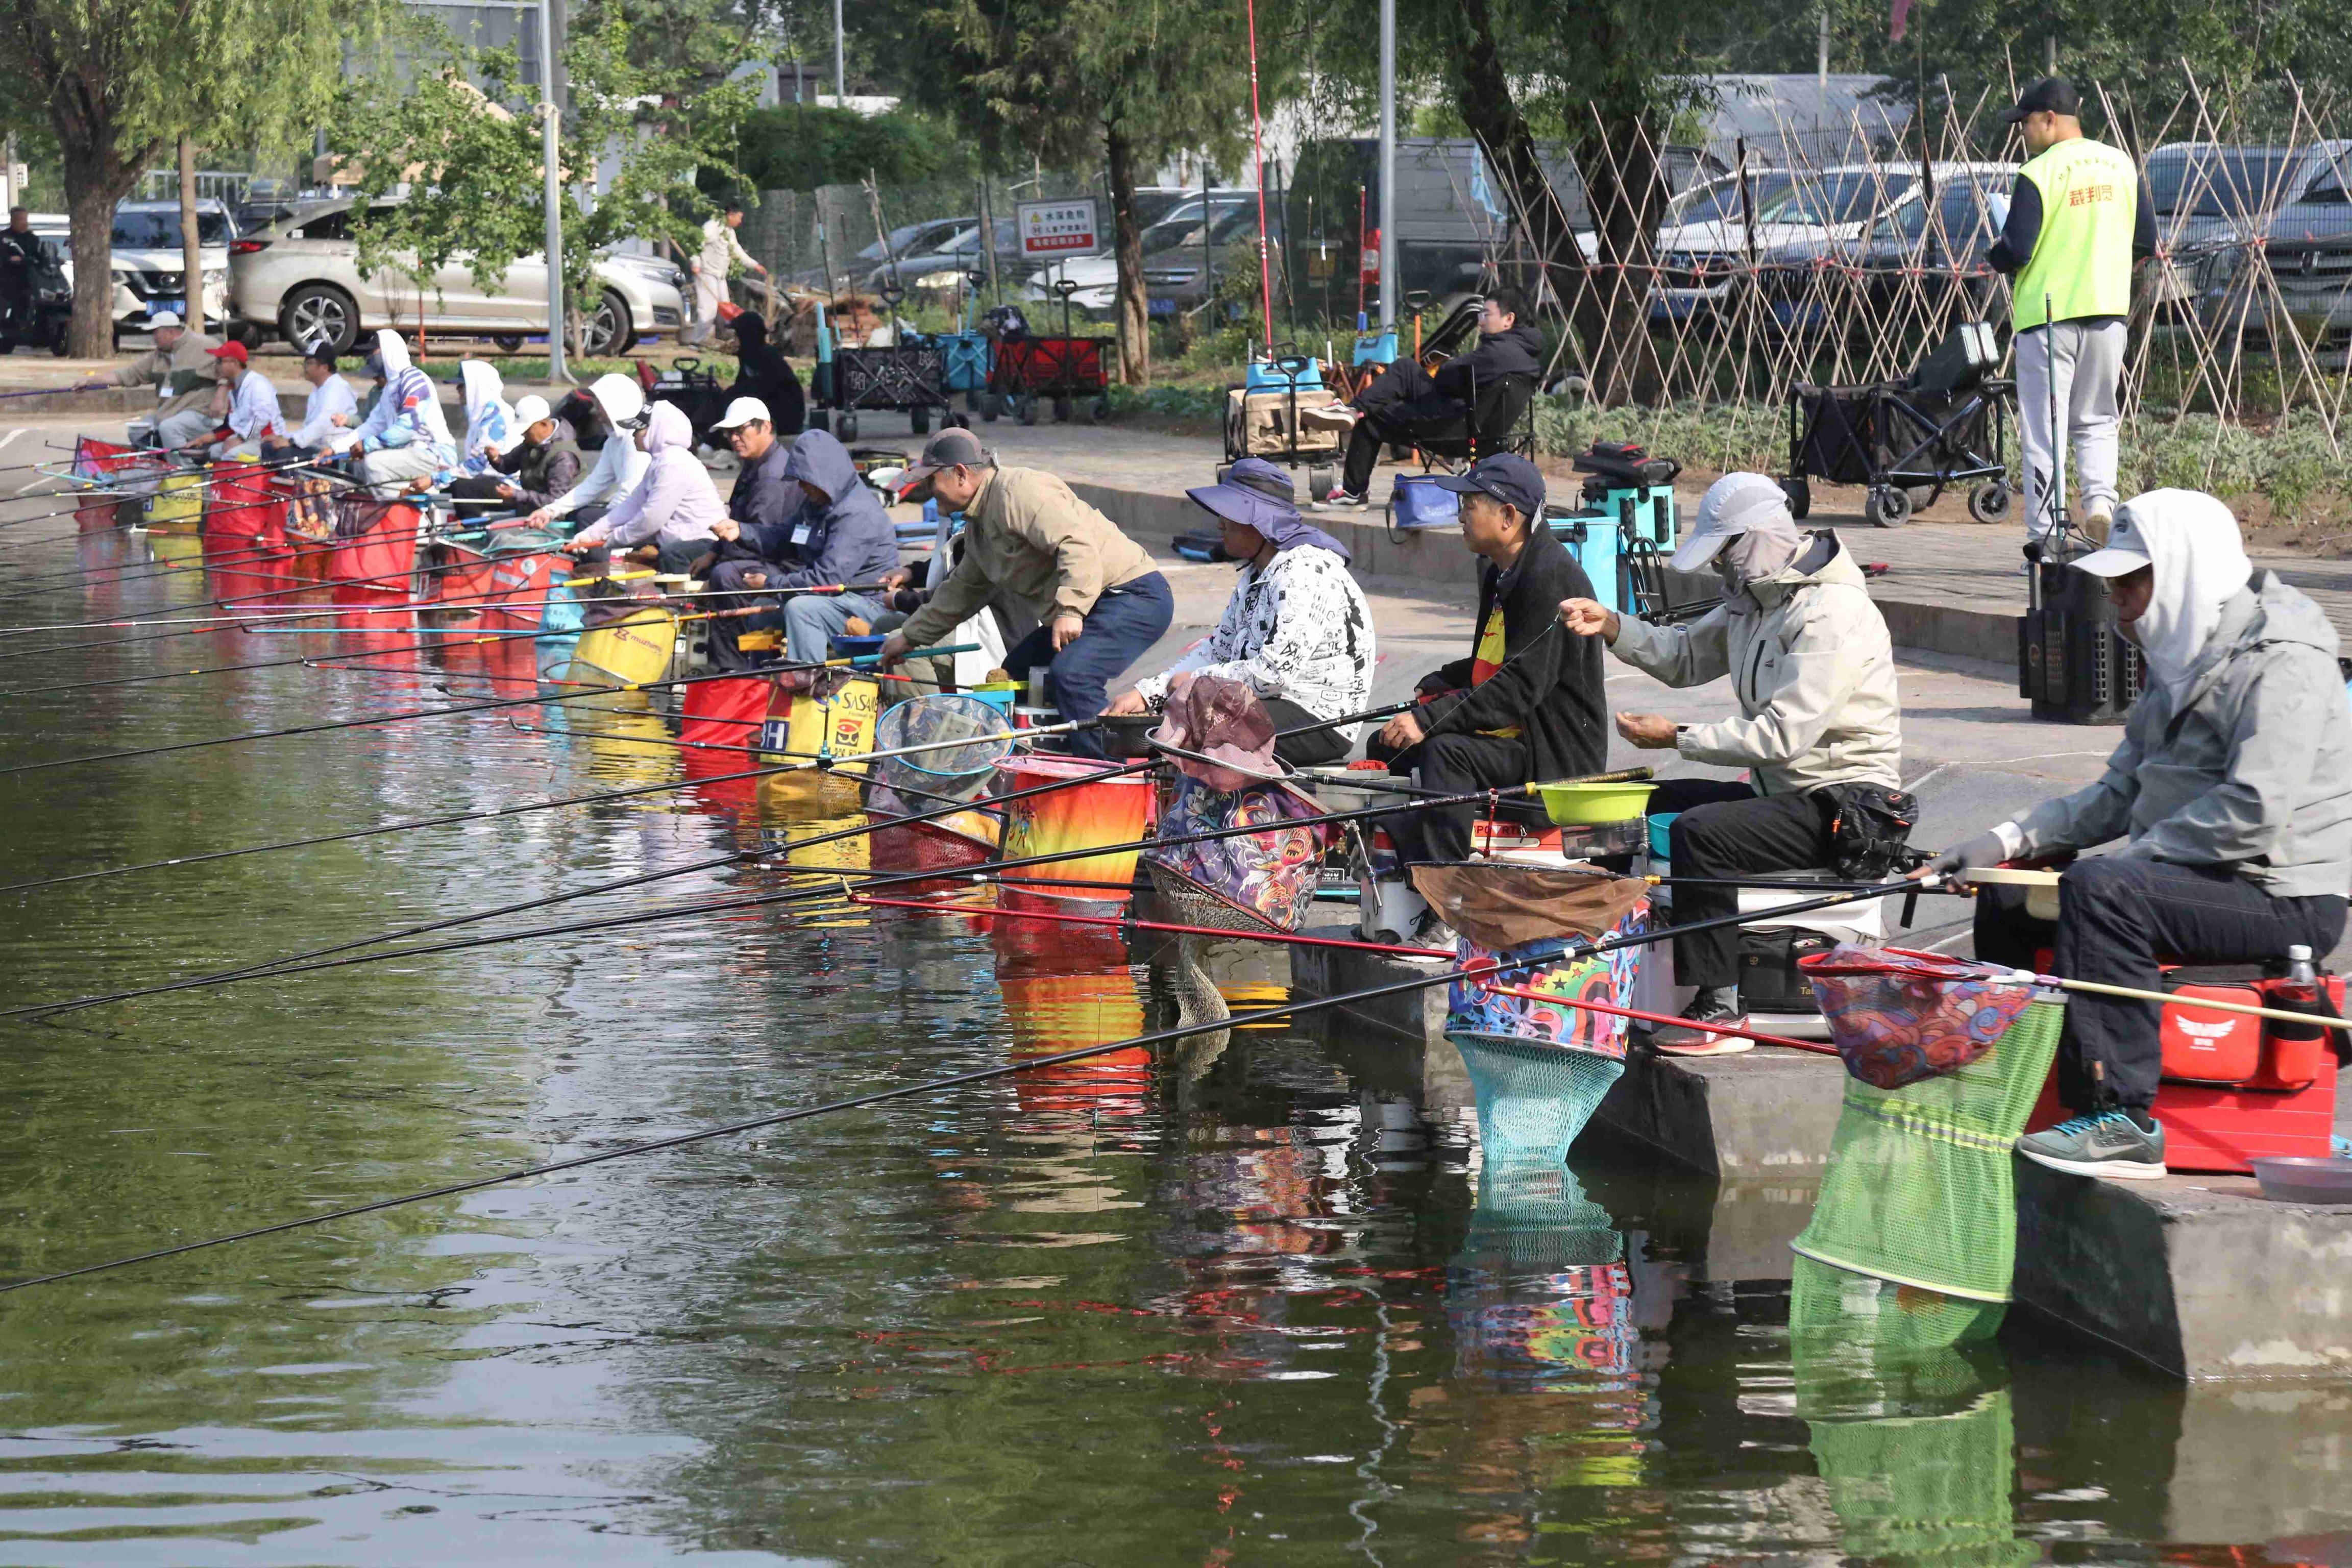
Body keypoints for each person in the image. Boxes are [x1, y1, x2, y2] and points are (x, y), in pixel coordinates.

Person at [1925, 491, 2352, 1180]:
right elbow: (2119, 790)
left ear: (2185, 571)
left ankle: (2119, 1118)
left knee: (2103, 888)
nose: (2118, 596)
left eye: (2131, 580)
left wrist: (2128, 865)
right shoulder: (2184, 651)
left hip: (2282, 894)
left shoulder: (2284, 660)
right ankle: (2017, 1084)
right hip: (2199, 876)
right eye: (2114, 582)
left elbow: (2253, 808)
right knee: (2009, 898)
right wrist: (2006, 842)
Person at [1561, 472, 1905, 1052]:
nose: (1723, 570)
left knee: (1704, 835)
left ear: (1761, 539)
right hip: (1784, 794)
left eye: (1727, 554)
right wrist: (1614, 626)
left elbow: (1784, 736)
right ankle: (1607, 963)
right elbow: (1685, 656)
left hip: (1845, 806)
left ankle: (1719, 1009)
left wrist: (1680, 737)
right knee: (1645, 804)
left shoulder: (1831, 614)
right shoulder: (1755, 601)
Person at [1370, 453, 1606, 888]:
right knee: (1387, 744)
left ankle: (1447, 898)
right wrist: (1442, 684)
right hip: (1508, 736)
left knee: (1445, 753)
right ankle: (1401, 868)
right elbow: (1495, 660)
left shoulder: (1552, 578)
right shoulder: (1500, 572)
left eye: (1470, 504)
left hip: (1550, 761)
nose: (1460, 515)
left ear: (1508, 516)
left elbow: (1518, 687)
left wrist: (1428, 719)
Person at [881, 427, 1174, 755]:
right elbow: (961, 593)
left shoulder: (1019, 491)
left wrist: (1070, 610)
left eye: (932, 480)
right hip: (1092, 605)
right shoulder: (979, 527)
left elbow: (1077, 545)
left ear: (961, 475)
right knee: (1012, 674)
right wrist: (909, 637)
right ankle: (1035, 759)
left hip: (1131, 595)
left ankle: (1107, 774)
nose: (929, 491)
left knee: (1073, 675)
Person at [1107, 458, 1375, 767]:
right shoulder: (1255, 572)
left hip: (1317, 720)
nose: (1220, 524)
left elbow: (1274, 673)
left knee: (1196, 724)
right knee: (1166, 719)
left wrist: (1195, 682)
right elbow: (1217, 649)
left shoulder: (1304, 572)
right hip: (1267, 701)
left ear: (1261, 522)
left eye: (1230, 515)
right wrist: (1146, 694)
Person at [1985, 77, 2158, 543]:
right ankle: (2102, 505)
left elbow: (2017, 249)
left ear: (2049, 119)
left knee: (2045, 430)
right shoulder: (2122, 166)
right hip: (2107, 314)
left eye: (2025, 123)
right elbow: (2146, 242)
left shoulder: (2039, 173)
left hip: (2047, 320)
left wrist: (1993, 255)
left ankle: (2047, 537)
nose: (2022, 133)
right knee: (2099, 418)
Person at [702, 414, 899, 672]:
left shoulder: (857, 514)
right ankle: (763, 685)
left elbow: (826, 580)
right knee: (760, 613)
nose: (802, 487)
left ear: (823, 476)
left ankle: (807, 686)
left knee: (801, 609)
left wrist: (771, 585)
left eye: (806, 480)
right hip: (834, 599)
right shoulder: (816, 503)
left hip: (867, 603)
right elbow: (784, 536)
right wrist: (742, 531)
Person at [1318, 288, 1542, 511]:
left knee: (1373, 417)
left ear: (1508, 320)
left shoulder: (1497, 353)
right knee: (1405, 371)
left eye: (1486, 314)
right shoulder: (1525, 357)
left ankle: (1352, 488)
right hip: (1483, 434)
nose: (1480, 321)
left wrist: (1453, 373)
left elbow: (1446, 376)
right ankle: (1353, 409)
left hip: (1456, 432)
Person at [564, 401, 723, 574]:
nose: (632, 435)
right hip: (676, 539)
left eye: (637, 430)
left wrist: (614, 539)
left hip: (702, 543)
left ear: (655, 431)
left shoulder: (674, 463)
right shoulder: (659, 462)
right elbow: (631, 506)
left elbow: (652, 518)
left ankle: (683, 599)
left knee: (670, 554)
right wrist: (590, 534)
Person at [332, 328, 458, 498]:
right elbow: (373, 425)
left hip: (434, 453)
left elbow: (407, 429)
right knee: (359, 466)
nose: (368, 357)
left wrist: (367, 445)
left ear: (387, 352)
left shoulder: (414, 380)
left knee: (374, 464)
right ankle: (387, 501)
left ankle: (397, 509)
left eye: (373, 352)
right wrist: (335, 448)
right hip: (411, 452)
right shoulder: (390, 388)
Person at [75, 312, 224, 449]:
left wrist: (220, 395)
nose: (153, 337)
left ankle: (184, 471)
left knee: (170, 428)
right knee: (138, 431)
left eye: (155, 332)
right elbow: (126, 375)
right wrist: (90, 381)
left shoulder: (204, 346)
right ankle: (155, 466)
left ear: (170, 332)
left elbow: (232, 369)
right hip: (169, 414)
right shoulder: (158, 356)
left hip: (202, 413)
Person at [528, 373, 651, 534]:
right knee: (576, 514)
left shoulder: (633, 442)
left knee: (586, 517)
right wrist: (550, 511)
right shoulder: (613, 442)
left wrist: (600, 529)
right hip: (628, 511)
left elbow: (629, 494)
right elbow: (593, 485)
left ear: (615, 406)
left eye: (599, 403)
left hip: (643, 515)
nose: (595, 408)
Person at [446, 394, 577, 519]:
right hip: (530, 510)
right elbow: (508, 465)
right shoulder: (532, 443)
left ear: (543, 425)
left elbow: (556, 501)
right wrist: (496, 459)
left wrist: (517, 495)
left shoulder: (563, 456)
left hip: (553, 519)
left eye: (527, 431)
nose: (523, 435)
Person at [170, 339, 285, 461]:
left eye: (220, 361)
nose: (216, 366)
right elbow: (229, 427)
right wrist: (200, 441)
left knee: (231, 455)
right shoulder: (233, 388)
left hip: (267, 440)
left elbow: (262, 417)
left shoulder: (258, 384)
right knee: (211, 452)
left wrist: (240, 439)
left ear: (234, 363)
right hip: (249, 438)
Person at [723, 307, 804, 436]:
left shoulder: (766, 356)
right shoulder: (748, 355)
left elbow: (761, 389)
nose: (735, 340)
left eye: (737, 335)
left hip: (787, 417)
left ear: (746, 336)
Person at [692, 203, 767, 330]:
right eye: (739, 217)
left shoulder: (729, 232)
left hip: (720, 275)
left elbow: (737, 251)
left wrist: (755, 265)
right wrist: (696, 264)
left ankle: (729, 336)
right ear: (731, 215)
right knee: (708, 309)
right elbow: (697, 244)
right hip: (706, 273)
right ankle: (696, 341)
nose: (740, 222)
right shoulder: (712, 227)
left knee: (727, 309)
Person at [270, 347, 358, 455]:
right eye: (305, 363)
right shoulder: (319, 389)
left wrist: (292, 441)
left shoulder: (337, 388)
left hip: (334, 449)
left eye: (310, 363)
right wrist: (283, 437)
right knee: (269, 447)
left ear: (325, 367)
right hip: (318, 445)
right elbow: (308, 427)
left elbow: (323, 424)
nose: (305, 367)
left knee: (284, 453)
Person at [455, 360, 518, 474]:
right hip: (486, 477)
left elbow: (480, 463)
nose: (457, 389)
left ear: (477, 386)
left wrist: (436, 479)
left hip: (502, 481)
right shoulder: (479, 414)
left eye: (462, 385)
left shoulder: (495, 416)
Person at [0, 208, 41, 338]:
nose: (24, 223)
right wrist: (10, 259)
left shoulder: (32, 238)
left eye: (25, 219)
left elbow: (38, 256)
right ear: (13, 220)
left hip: (30, 279)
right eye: (20, 220)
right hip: (8, 279)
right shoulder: (5, 237)